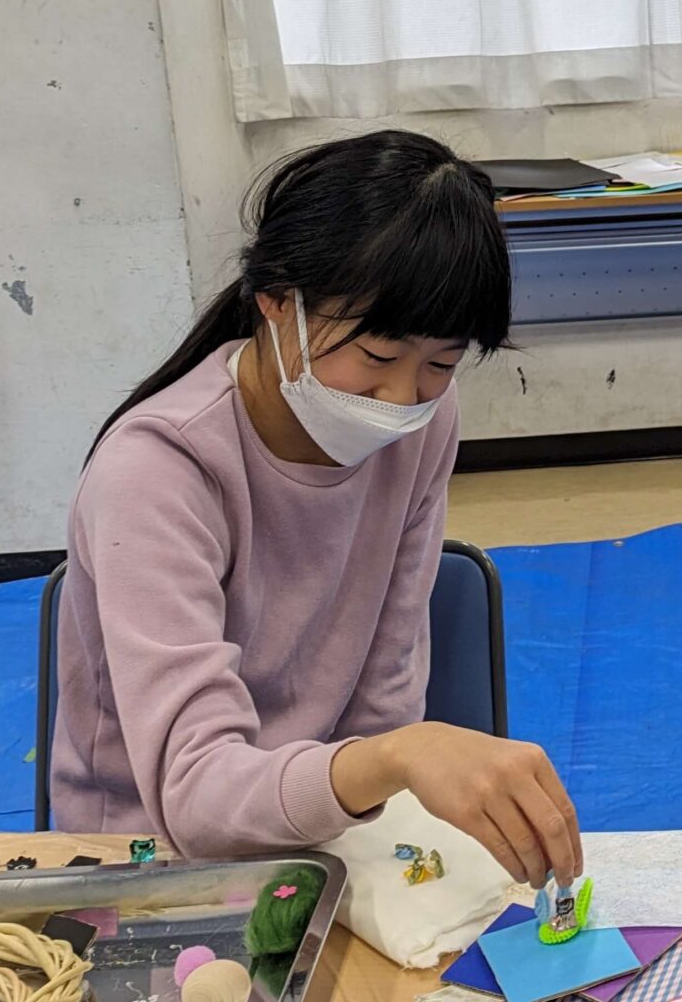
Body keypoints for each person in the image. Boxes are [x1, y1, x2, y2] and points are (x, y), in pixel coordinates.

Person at [51, 129, 582, 885]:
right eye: (376, 356)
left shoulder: (422, 421)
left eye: (442, 362)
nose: (400, 398)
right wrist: (392, 759)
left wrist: (385, 789)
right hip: (154, 859)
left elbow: (388, 673)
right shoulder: (157, 471)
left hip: (334, 827)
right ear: (276, 302)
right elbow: (194, 797)